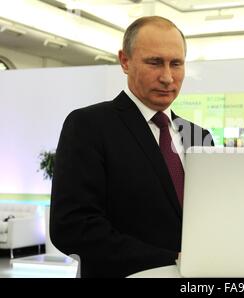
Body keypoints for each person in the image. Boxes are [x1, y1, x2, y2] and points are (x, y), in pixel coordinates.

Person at [50, 16, 214, 277]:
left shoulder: (198, 136)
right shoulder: (88, 126)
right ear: (125, 61)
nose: (167, 77)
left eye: (176, 63)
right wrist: (170, 258)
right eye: (154, 62)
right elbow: (72, 227)